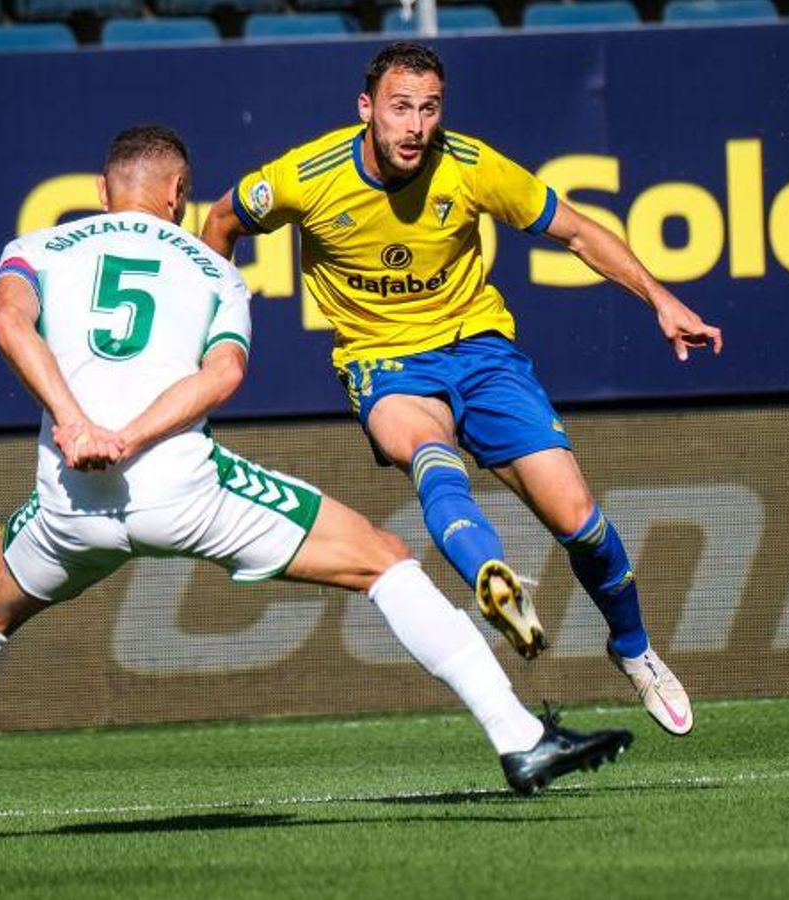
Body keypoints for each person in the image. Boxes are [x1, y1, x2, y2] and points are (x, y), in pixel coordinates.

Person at [0, 125, 632, 847]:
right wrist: (132, 439)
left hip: (70, 500)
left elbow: (10, 324)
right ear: (180, 198)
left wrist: (75, 424)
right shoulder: (212, 271)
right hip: (182, 490)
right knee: (384, 559)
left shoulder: (35, 246)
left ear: (104, 191)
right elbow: (225, 374)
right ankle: (519, 739)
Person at [201, 42, 720, 737]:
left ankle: (633, 650)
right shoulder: (306, 176)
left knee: (581, 521)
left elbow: (574, 230)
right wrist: (213, 326)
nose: (414, 126)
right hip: (383, 362)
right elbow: (221, 223)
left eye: (429, 109)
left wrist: (659, 298)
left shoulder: (469, 165)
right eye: (399, 108)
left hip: (480, 354)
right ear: (367, 110)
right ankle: (491, 578)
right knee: (426, 449)